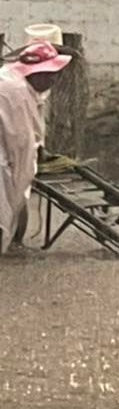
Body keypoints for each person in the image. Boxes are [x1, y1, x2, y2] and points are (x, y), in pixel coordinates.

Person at [0, 41, 72, 256]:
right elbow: (21, 143)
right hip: (4, 160)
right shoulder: (15, 91)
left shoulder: (12, 79)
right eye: (50, 74)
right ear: (37, 73)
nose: (54, 79)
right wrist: (22, 181)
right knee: (4, 212)